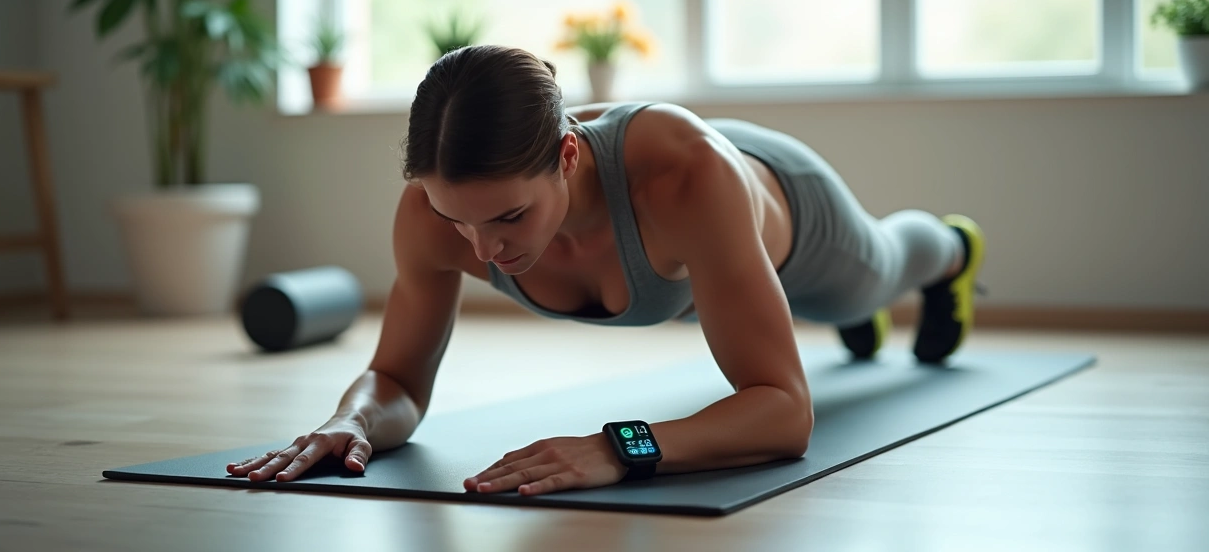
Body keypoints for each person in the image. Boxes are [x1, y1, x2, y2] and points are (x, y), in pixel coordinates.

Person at [227, 44, 985, 496]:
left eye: (509, 218)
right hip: (705, 268)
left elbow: (786, 414)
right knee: (788, 314)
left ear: (567, 154)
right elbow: (395, 380)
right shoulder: (433, 216)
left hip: (787, 218)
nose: (483, 251)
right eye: (461, 220)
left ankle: (954, 248)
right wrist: (351, 418)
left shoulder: (686, 177)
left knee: (885, 268)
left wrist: (620, 446)